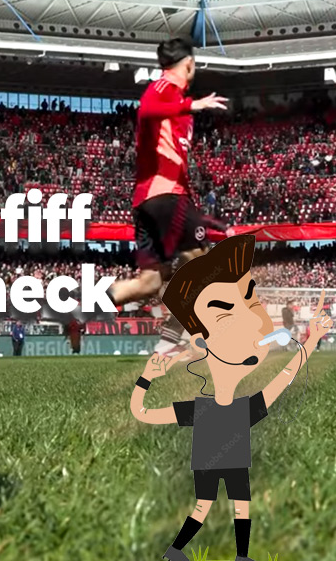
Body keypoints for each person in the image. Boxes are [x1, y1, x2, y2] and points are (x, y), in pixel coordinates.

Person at [130, 235, 332, 561]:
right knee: (205, 506)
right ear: (201, 342)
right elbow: (141, 413)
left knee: (239, 506)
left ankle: (239, 555)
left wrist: (311, 341)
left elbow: (284, 377)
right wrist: (146, 377)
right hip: (214, 460)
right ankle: (176, 550)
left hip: (235, 460)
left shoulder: (239, 407)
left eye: (250, 302)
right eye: (225, 314)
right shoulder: (204, 409)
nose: (254, 322)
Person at [100, 38, 229, 355]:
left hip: (156, 198)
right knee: (202, 263)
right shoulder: (164, 88)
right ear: (189, 64)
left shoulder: (176, 98)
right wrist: (191, 105)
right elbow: (146, 109)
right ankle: (181, 340)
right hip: (164, 194)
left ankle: (82, 308)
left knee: (150, 282)